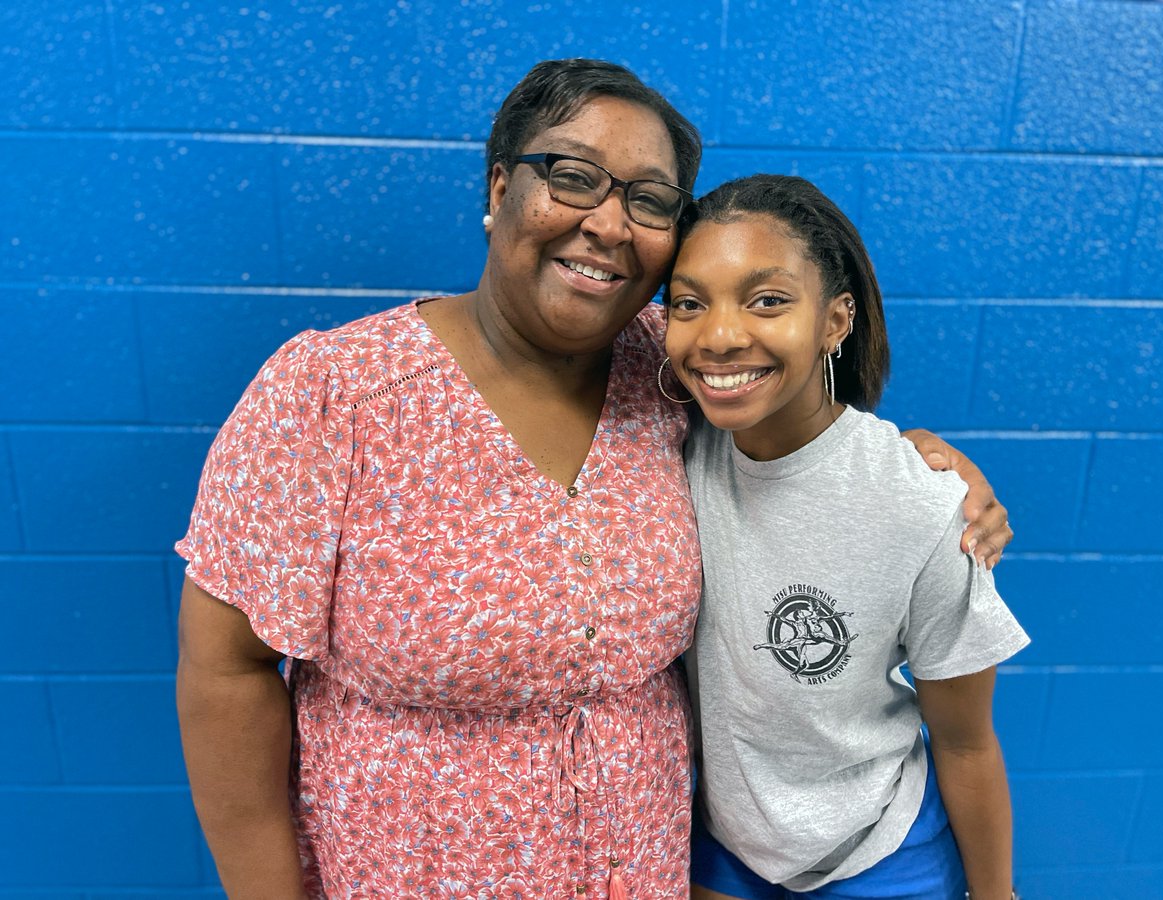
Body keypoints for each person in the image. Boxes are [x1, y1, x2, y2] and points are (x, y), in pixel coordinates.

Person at [175, 61, 1012, 899]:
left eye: (649, 200)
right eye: (571, 177)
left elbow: (800, 423)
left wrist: (923, 463)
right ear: (500, 186)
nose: (608, 223)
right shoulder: (332, 395)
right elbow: (225, 672)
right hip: (404, 874)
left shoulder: (671, 367)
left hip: (644, 876)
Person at [664, 175, 1029, 900]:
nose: (721, 335)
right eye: (688, 303)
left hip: (881, 852)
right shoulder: (671, 446)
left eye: (767, 300)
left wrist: (998, 896)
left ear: (837, 321)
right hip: (729, 846)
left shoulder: (922, 505)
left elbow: (963, 740)